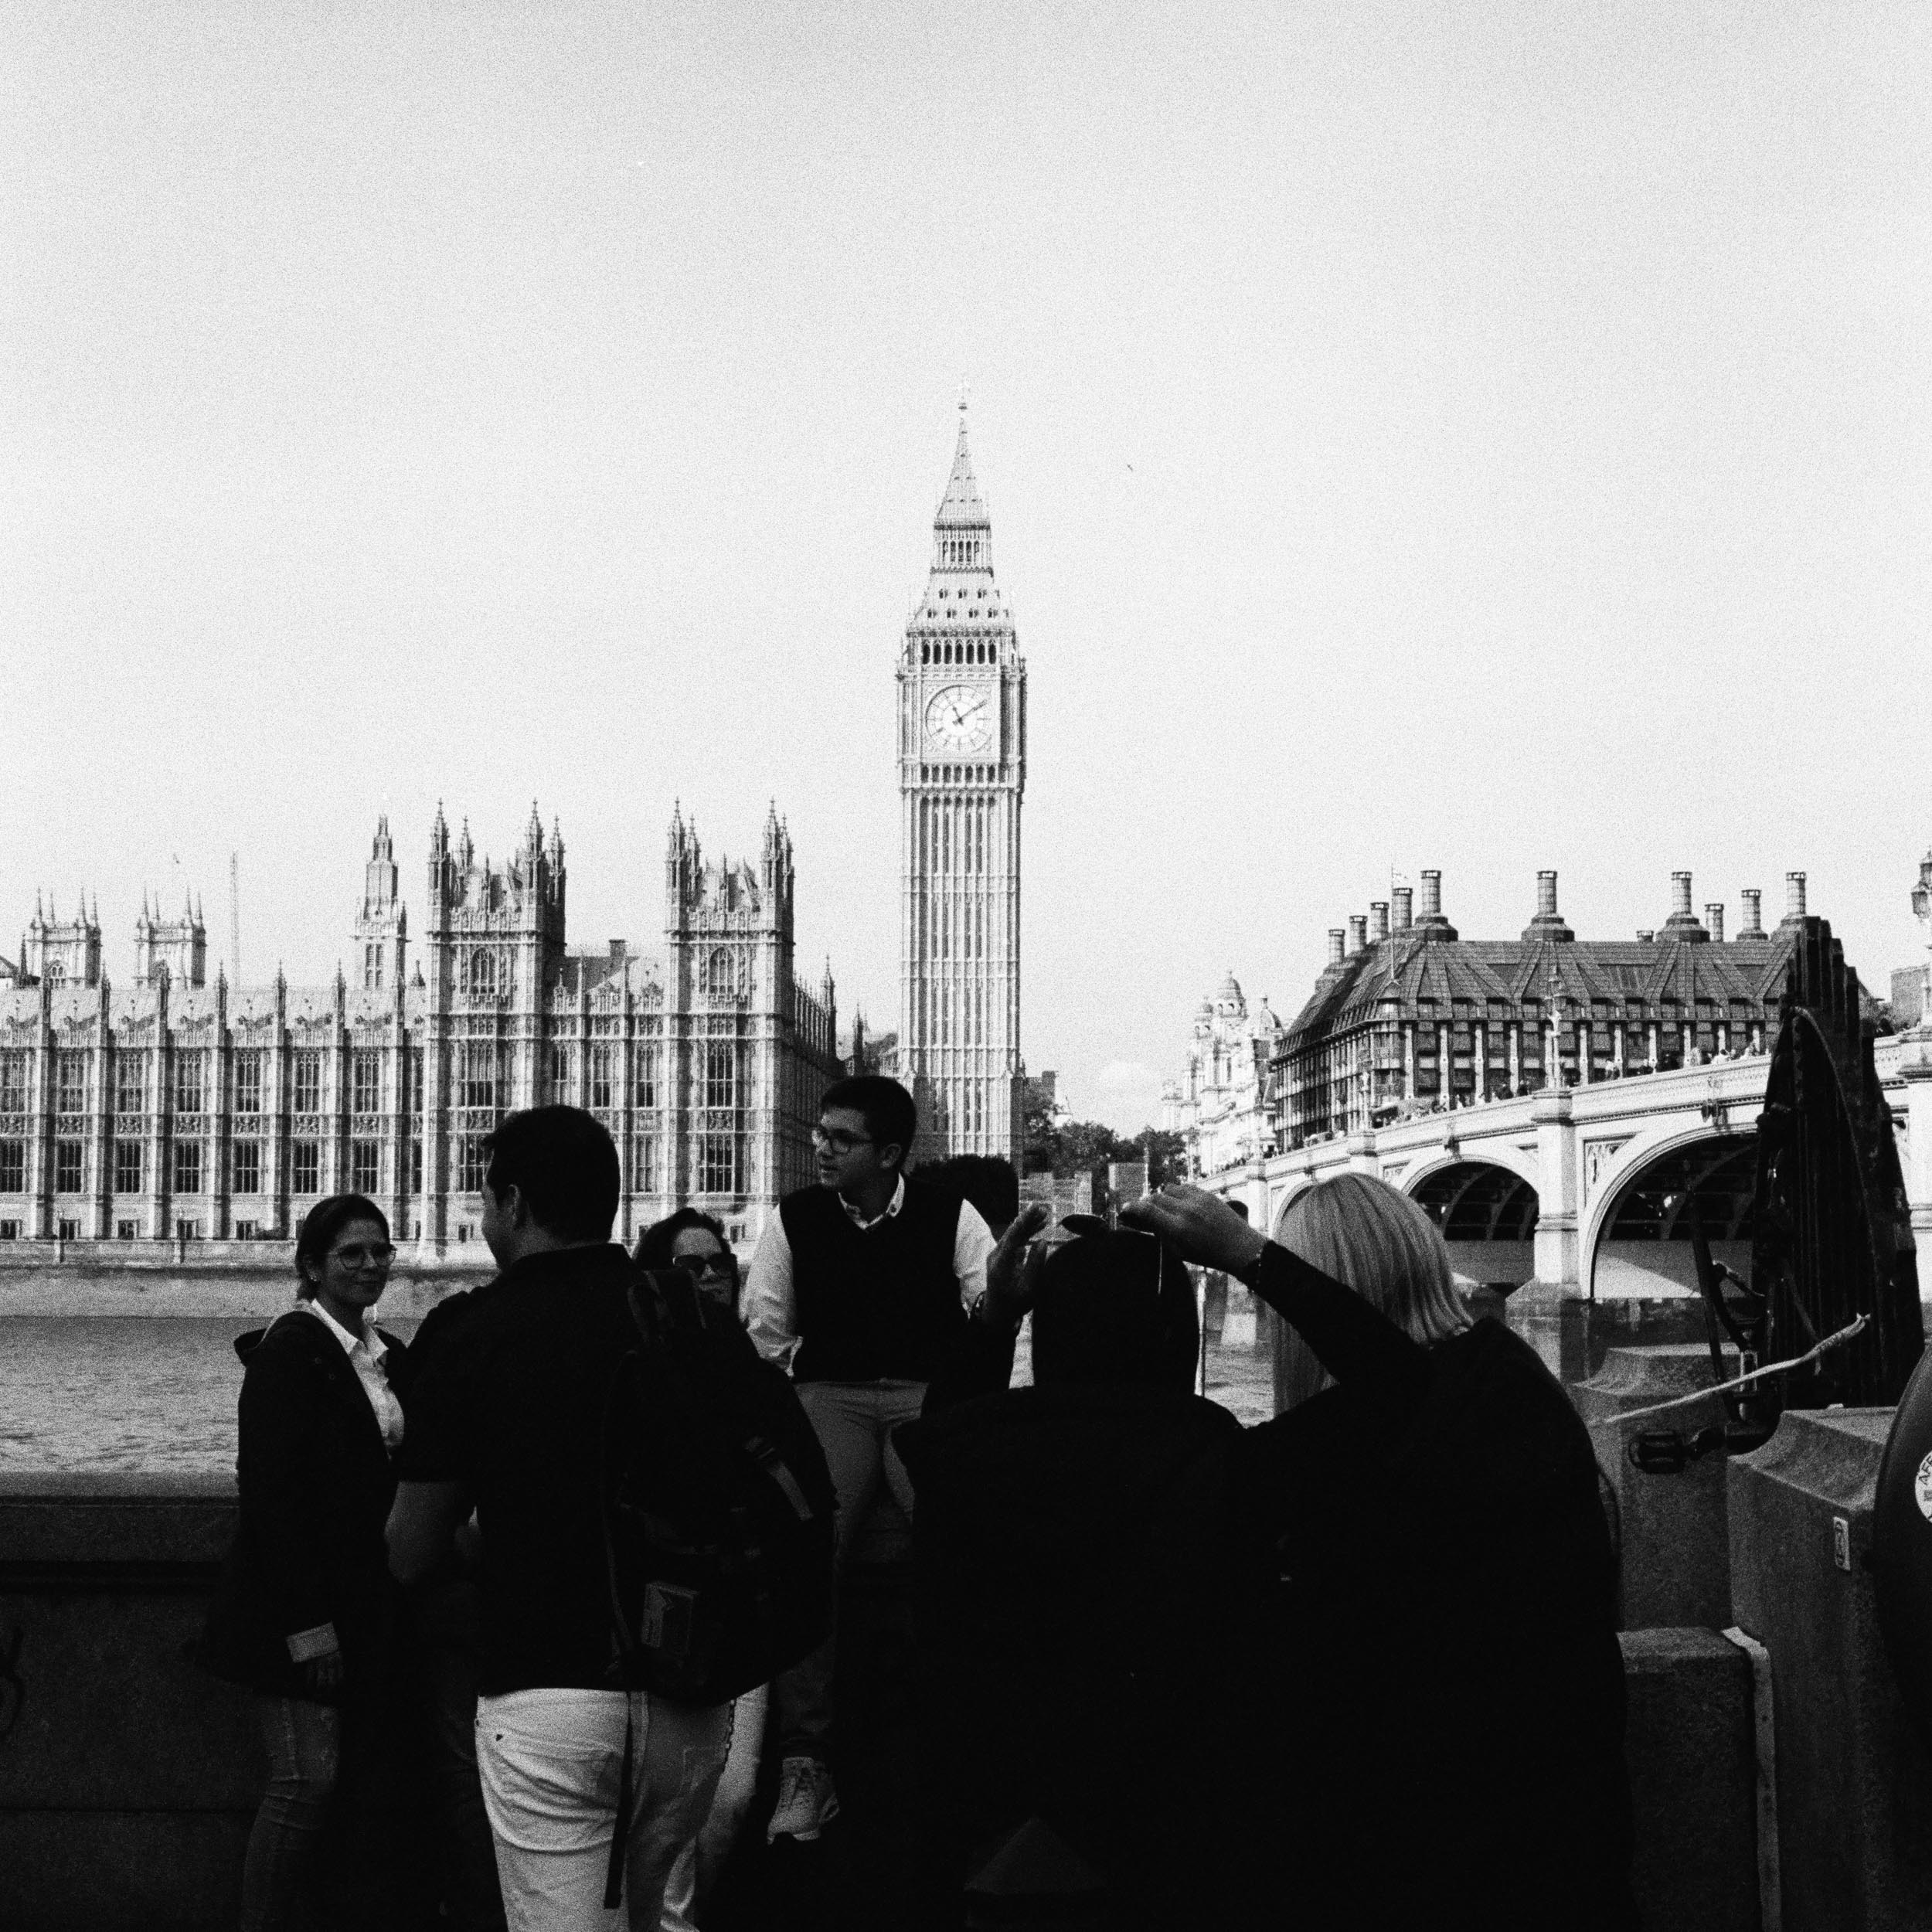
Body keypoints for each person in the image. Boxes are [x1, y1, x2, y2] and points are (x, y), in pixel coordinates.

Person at [1124, 1177, 1638, 1932]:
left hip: (1416, 1852)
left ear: (1310, 1299)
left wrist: (1246, 1259)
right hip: (1569, 1831)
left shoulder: (1350, 1439)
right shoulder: (1509, 1379)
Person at [386, 1107, 733, 1931]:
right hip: (689, 1692)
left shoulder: (468, 1331)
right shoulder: (692, 1318)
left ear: (511, 1200)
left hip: (549, 1690)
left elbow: (409, 1549)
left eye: (486, 1196)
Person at [893, 1208, 1272, 1931]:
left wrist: (997, 1316)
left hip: (993, 1829)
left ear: (1051, 1332)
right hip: (1167, 1832)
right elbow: (1396, 1388)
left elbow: (948, 1414)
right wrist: (1249, 1256)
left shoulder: (964, 1451)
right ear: (1177, 1340)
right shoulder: (1221, 1460)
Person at [741, 1074, 996, 1842]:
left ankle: (972, 1734)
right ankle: (805, 1762)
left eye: (840, 1138)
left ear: (889, 1153)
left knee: (963, 1547)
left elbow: (991, 1306)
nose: (819, 1147)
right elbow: (767, 1334)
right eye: (820, 1132)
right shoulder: (796, 1219)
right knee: (809, 1551)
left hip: (925, 1394)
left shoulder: (952, 1216)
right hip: (833, 1394)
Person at [197, 1194, 413, 1932]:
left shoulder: (383, 1355)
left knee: (345, 1787)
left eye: (380, 1251)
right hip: (298, 1615)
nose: (370, 1266)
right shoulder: (290, 1352)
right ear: (312, 1267)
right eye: (351, 1254)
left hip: (363, 1607)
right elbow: (272, 1497)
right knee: (304, 1781)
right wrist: (308, 1626)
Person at [632, 1208, 767, 1932]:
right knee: (672, 1815)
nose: (712, 1276)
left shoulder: (759, 1362)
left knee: (733, 1798)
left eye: (721, 1264)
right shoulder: (640, 1367)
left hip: (747, 1613)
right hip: (673, 1622)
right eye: (692, 1268)